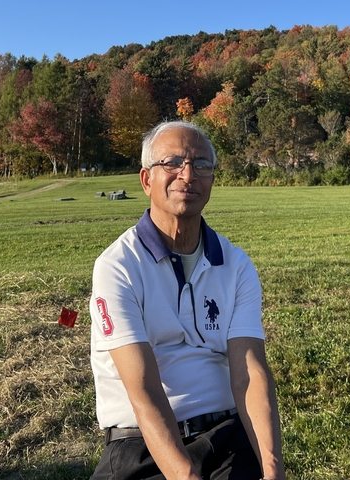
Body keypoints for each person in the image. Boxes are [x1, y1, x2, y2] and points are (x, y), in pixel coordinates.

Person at [89, 121, 286, 480]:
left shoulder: (236, 264)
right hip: (141, 445)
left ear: (212, 180)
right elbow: (143, 389)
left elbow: (251, 373)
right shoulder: (117, 266)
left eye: (201, 165)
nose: (188, 174)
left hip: (225, 435)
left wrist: (273, 471)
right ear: (147, 180)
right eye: (173, 162)